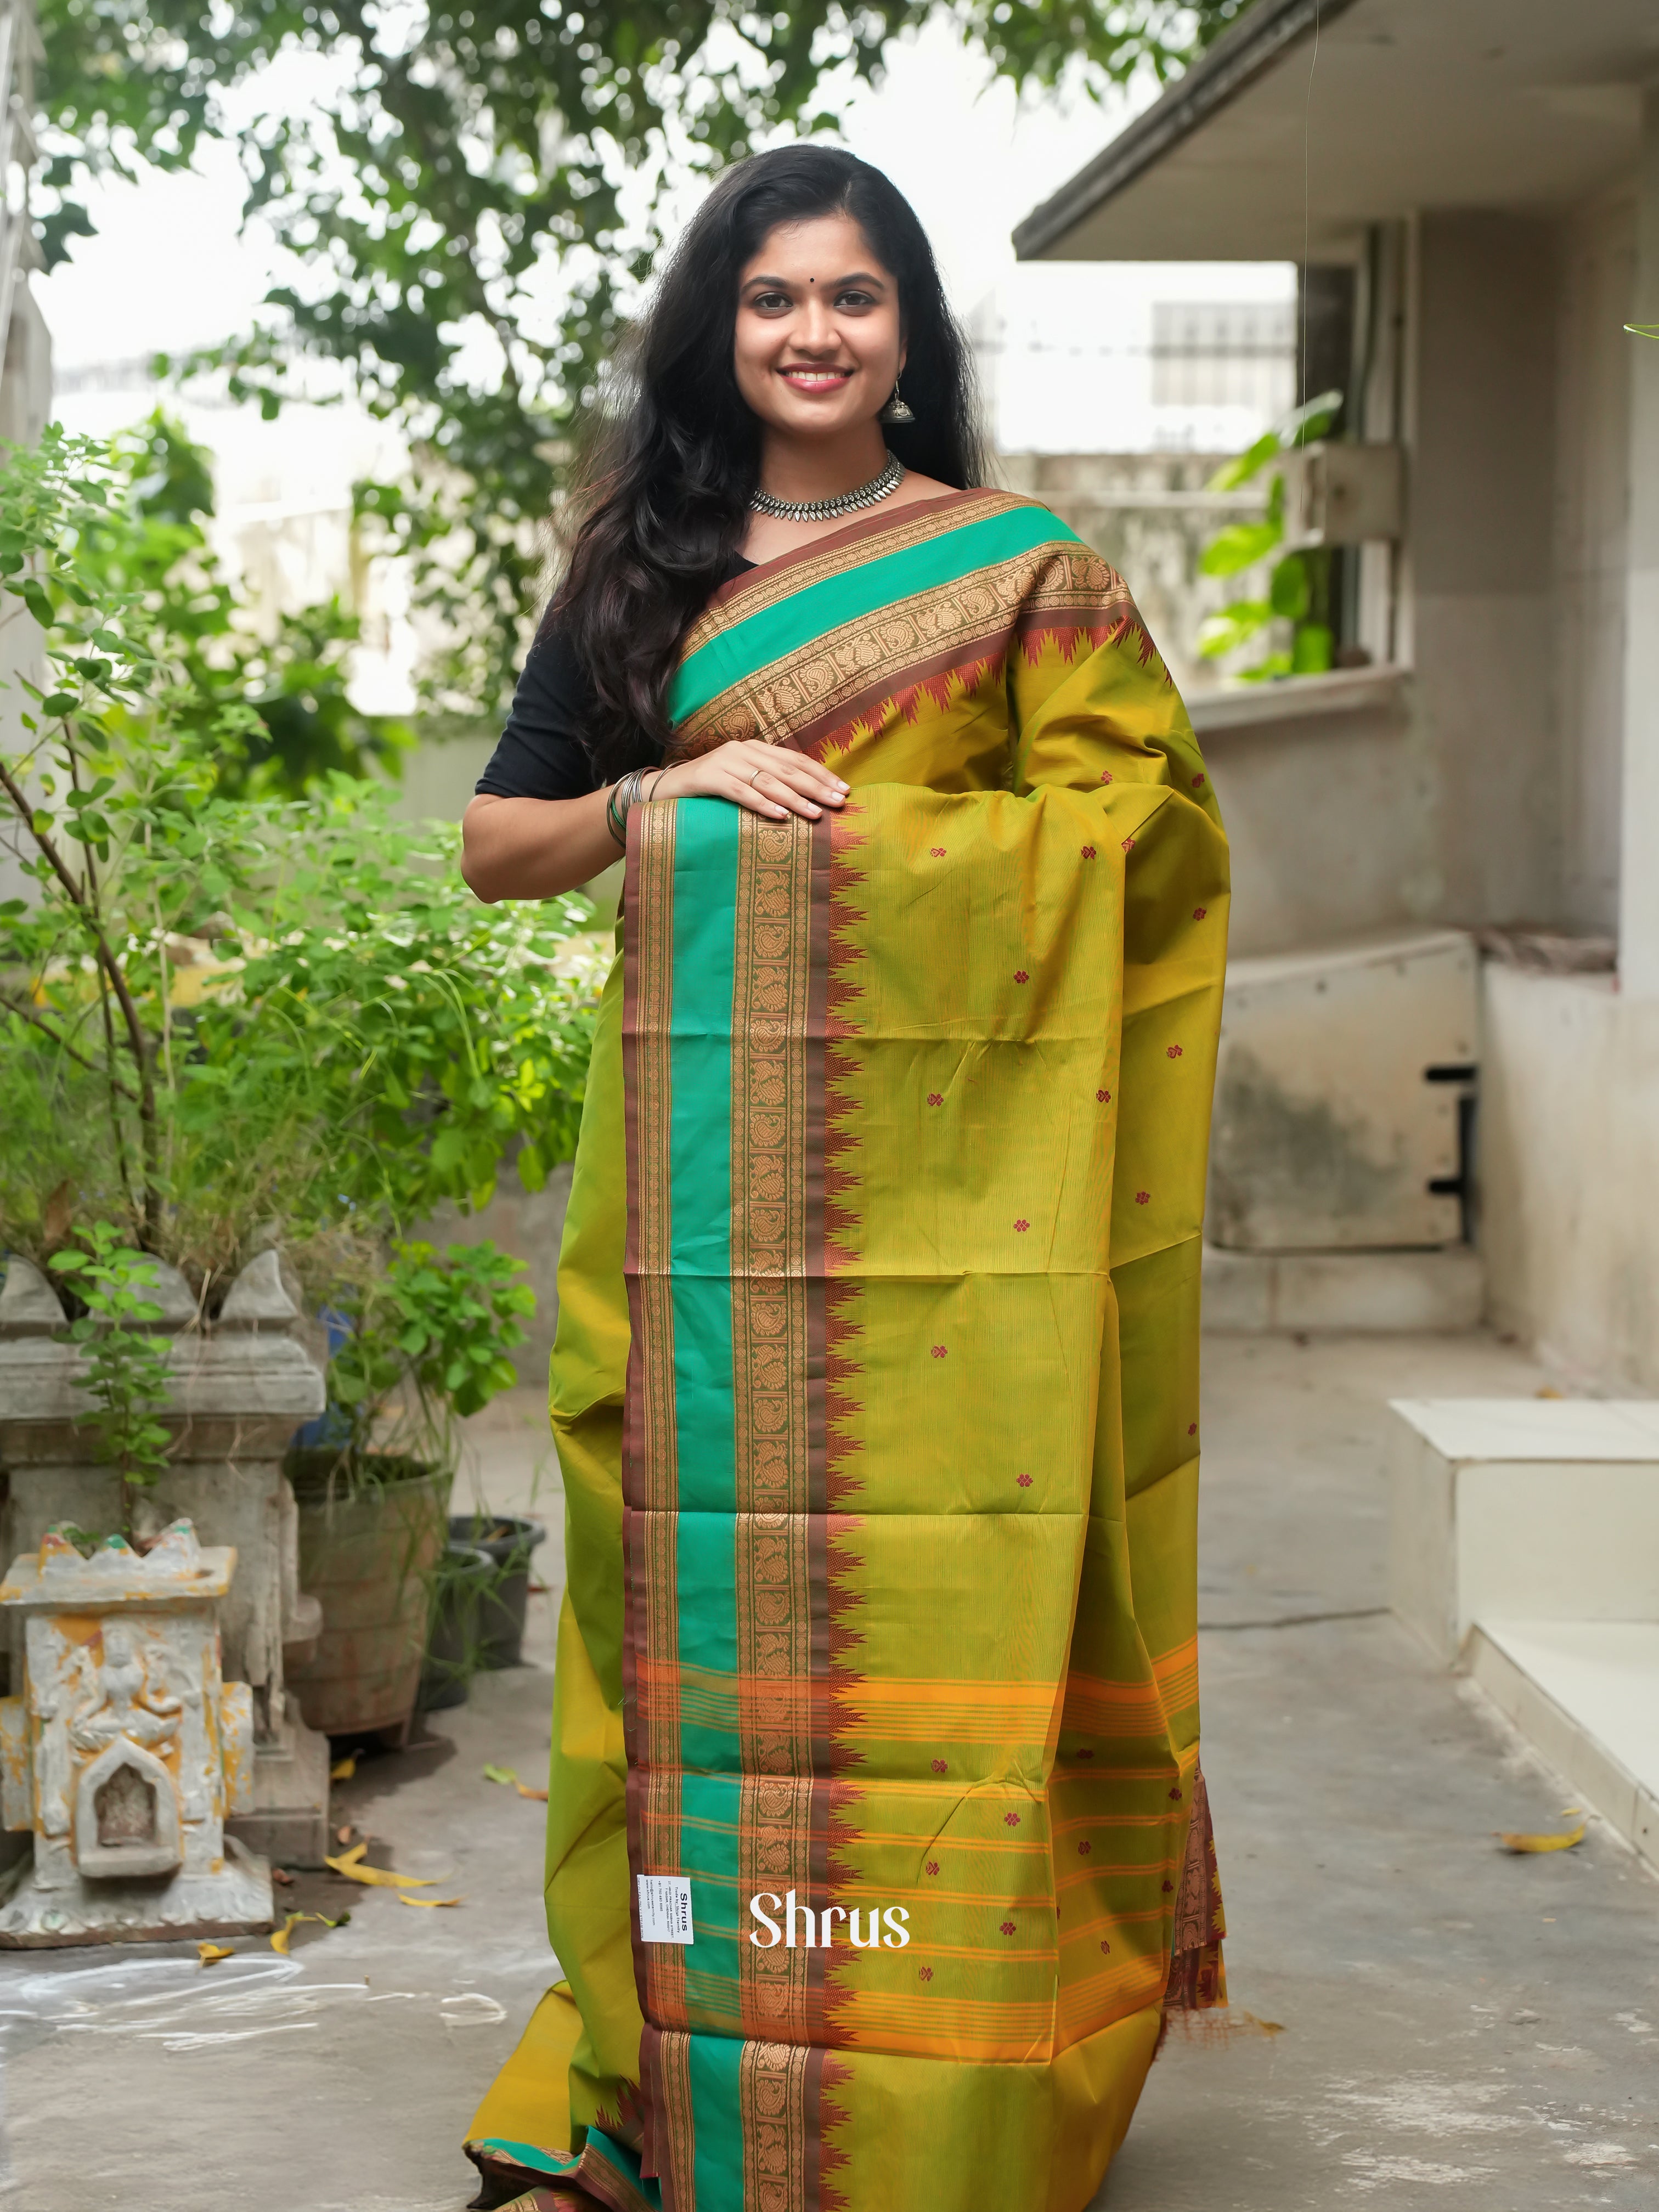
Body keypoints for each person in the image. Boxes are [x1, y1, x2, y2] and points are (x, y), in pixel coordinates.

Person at [460, 143, 1230, 2212]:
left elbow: (1136, 842)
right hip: (704, 1216)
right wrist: (671, 795)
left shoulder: (1024, 571)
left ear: (909, 329)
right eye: (776, 296)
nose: (814, 332)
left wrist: (839, 864)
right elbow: (497, 842)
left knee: (955, 1640)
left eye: (855, 297)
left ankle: (935, 2100)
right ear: (724, 324)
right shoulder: (646, 564)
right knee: (683, 1637)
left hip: (964, 1228)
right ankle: (655, 2087)